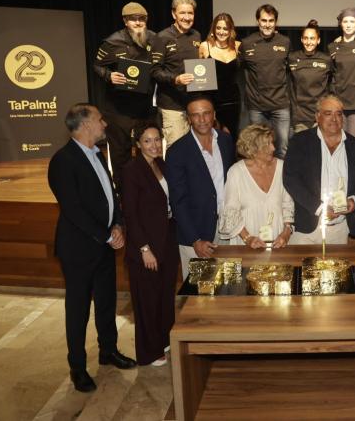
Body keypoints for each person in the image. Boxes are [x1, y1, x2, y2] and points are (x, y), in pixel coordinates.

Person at [47, 104, 136, 393]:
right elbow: (73, 209)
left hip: (104, 245)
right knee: (78, 311)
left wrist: (118, 225)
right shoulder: (63, 161)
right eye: (100, 119)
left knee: (107, 302)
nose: (105, 124)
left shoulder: (98, 153)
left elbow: (111, 196)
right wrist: (106, 235)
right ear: (85, 125)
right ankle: (77, 367)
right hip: (79, 250)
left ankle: (108, 351)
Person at [121, 122, 178, 367]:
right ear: (138, 144)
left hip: (167, 240)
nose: (154, 145)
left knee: (164, 295)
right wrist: (144, 249)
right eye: (147, 140)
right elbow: (131, 215)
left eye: (157, 139)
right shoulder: (131, 171)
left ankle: (163, 339)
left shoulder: (161, 165)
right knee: (147, 301)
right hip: (146, 247)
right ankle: (149, 351)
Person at [165, 96, 234, 279]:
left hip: (227, 229)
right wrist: (194, 239)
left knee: (229, 285)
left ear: (214, 115)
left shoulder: (226, 141)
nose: (202, 120)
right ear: (189, 119)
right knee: (201, 290)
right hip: (197, 236)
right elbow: (178, 201)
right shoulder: (177, 152)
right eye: (196, 115)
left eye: (206, 113)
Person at [93, 2, 158, 190]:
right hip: (118, 108)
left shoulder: (154, 39)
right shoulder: (112, 42)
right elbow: (97, 66)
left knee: (148, 150)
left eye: (141, 19)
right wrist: (109, 75)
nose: (138, 22)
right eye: (133, 19)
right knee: (120, 153)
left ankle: (147, 188)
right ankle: (123, 192)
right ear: (125, 21)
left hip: (145, 107)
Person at [283, 95, 355, 244]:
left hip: (340, 229)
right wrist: (320, 208)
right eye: (328, 113)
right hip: (307, 228)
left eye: (338, 114)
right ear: (317, 116)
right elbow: (290, 179)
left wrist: (354, 200)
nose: (334, 119)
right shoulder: (300, 142)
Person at [219, 124, 295, 248]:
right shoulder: (236, 172)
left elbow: (288, 205)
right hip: (247, 244)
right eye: (267, 144)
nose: (273, 148)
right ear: (253, 148)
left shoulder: (282, 167)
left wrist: (286, 233)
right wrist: (248, 238)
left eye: (272, 142)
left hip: (278, 243)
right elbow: (230, 211)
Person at [239, 4, 291, 157]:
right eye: (264, 20)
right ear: (258, 21)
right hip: (257, 107)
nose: (267, 24)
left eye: (271, 21)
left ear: (276, 22)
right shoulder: (247, 43)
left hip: (280, 105)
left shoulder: (285, 42)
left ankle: (281, 174)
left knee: (282, 150)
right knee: (258, 149)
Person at [151, 0, 201, 148]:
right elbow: (154, 71)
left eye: (190, 13)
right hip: (172, 105)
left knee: (194, 149)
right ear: (174, 14)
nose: (187, 17)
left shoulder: (197, 35)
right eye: (182, 13)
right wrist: (176, 79)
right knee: (177, 149)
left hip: (193, 103)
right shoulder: (162, 37)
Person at [328, 8, 355, 139]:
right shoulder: (332, 47)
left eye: (352, 21)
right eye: (345, 21)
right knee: (338, 141)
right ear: (340, 24)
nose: (348, 25)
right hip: (338, 101)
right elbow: (330, 73)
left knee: (353, 142)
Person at [198, 12, 242, 140]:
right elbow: (199, 76)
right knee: (212, 138)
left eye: (225, 28)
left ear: (230, 30)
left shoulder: (238, 46)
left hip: (233, 101)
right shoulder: (205, 46)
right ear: (213, 29)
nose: (221, 32)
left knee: (232, 137)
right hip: (211, 101)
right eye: (218, 28)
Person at [288, 19, 332, 133]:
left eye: (312, 38)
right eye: (306, 38)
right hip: (300, 116)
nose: (309, 42)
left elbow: (337, 79)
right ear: (301, 39)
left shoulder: (326, 59)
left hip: (320, 114)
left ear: (318, 40)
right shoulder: (292, 58)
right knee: (302, 144)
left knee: (320, 144)